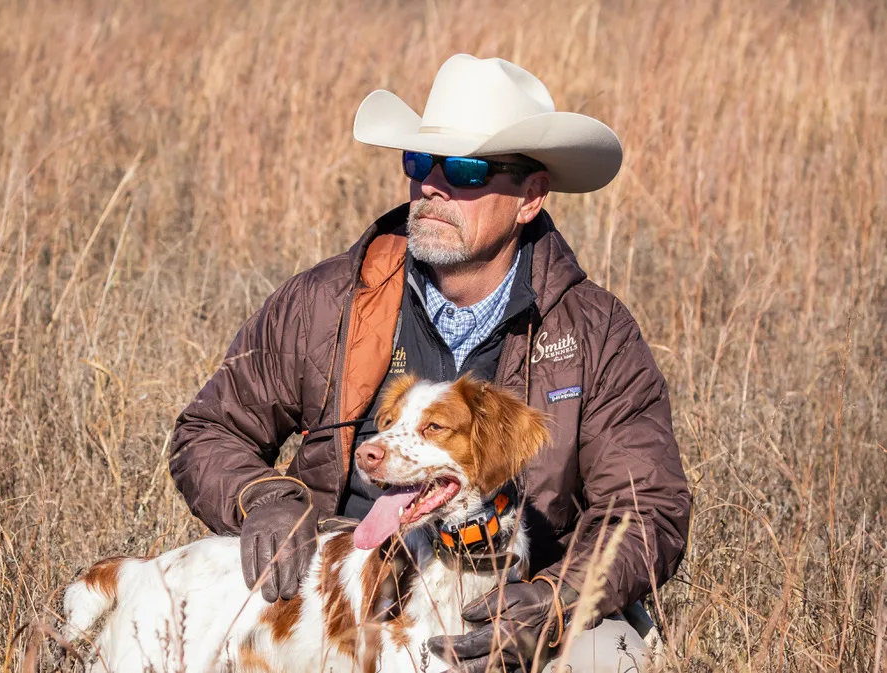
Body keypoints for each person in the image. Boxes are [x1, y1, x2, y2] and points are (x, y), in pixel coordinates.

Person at [169, 54, 691, 672]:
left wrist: (553, 603)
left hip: (510, 604)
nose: (434, 186)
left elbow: (645, 509)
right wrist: (264, 497)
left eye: (469, 169)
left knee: (617, 660)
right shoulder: (325, 302)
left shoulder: (594, 331)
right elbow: (208, 430)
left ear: (530, 196)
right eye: (420, 163)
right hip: (347, 599)